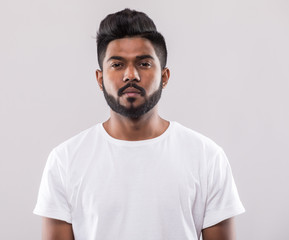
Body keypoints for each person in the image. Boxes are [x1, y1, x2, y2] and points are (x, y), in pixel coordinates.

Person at [33, 8, 245, 240]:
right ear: (99, 78)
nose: (130, 75)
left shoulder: (207, 157)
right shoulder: (64, 161)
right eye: (117, 64)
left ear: (164, 76)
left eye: (144, 64)